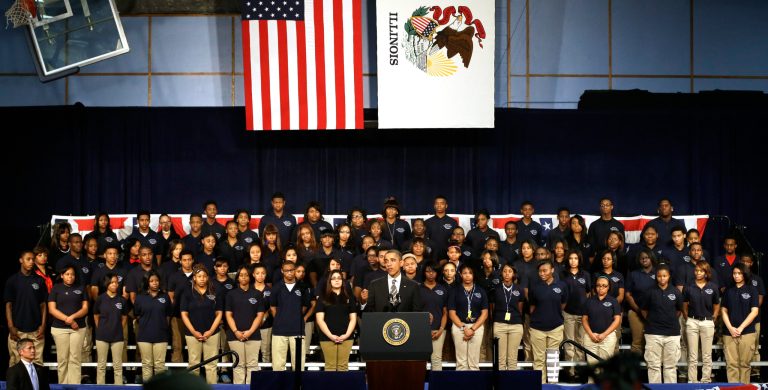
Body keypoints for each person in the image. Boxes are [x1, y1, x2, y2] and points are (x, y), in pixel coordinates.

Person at [180, 264, 223, 384]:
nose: (202, 278)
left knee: (211, 365)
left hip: (212, 333)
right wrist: (194, 332)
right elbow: (184, 314)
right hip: (192, 334)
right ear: (194, 277)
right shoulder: (187, 292)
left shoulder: (214, 291)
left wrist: (211, 331)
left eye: (204, 276)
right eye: (199, 276)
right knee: (194, 365)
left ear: (208, 277)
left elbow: (219, 313)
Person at [528, 261, 568, 383]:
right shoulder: (534, 286)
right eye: (540, 271)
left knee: (553, 359)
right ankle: (540, 385)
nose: (542, 273)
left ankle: (552, 386)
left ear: (552, 270)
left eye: (544, 270)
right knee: (538, 360)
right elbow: (532, 307)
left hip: (555, 328)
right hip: (537, 329)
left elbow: (563, 305)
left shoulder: (562, 285)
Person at [5, 250, 47, 366]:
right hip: (18, 331)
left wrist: (43, 326)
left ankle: (36, 384)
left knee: (37, 363)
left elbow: (43, 305)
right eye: (28, 259)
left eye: (33, 259)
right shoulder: (12, 281)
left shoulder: (39, 280)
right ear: (21, 260)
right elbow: (8, 305)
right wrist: (11, 326)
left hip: (36, 331)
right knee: (16, 363)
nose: (31, 262)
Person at [48, 265, 89, 384]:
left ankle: (74, 385)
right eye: (67, 274)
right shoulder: (56, 288)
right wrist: (68, 319)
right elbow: (52, 309)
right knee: (62, 359)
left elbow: (85, 308)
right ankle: (63, 385)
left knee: (75, 358)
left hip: (78, 328)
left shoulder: (81, 288)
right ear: (62, 275)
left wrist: (73, 317)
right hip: (59, 328)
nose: (70, 277)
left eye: (72, 274)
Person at [642, 264, 683, 384]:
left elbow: (679, 310)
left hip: (672, 333)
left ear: (669, 276)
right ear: (656, 277)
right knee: (654, 366)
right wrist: (651, 320)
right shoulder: (650, 292)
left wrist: (668, 319)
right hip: (653, 333)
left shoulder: (676, 292)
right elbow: (643, 309)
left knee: (670, 367)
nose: (662, 278)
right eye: (659, 276)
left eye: (664, 276)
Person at [225, 265, 266, 384]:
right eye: (241, 275)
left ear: (250, 277)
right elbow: (228, 315)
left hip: (253, 335)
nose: (243, 277)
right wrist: (236, 332)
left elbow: (260, 315)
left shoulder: (257, 294)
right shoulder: (231, 294)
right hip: (234, 336)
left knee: (252, 365)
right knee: (238, 365)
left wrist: (249, 332)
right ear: (237, 277)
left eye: (246, 275)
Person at [721, 263, 759, 384]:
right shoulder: (728, 290)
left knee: (744, 365)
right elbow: (723, 310)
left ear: (744, 274)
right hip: (729, 333)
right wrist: (730, 328)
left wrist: (741, 328)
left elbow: (754, 311)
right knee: (731, 365)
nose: (736, 276)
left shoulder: (752, 289)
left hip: (747, 332)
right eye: (734, 273)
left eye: (739, 273)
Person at [271, 261, 312, 371]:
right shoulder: (276, 287)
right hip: (279, 331)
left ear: (295, 270)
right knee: (278, 366)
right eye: (286, 270)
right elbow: (273, 307)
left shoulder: (303, 287)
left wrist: (295, 316)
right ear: (282, 271)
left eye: (292, 270)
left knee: (298, 367)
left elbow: (305, 306)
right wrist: (281, 318)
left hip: (297, 331)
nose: (289, 272)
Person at [682, 261, 719, 383]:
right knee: (692, 355)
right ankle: (692, 381)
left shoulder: (713, 287)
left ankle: (706, 380)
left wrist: (713, 317)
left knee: (707, 355)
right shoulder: (689, 286)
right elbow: (684, 305)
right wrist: (688, 319)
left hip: (707, 322)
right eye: (696, 270)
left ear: (706, 272)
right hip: (692, 321)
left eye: (701, 271)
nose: (698, 273)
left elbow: (716, 305)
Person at [448, 264, 489, 370]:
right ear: (460, 275)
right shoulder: (454, 290)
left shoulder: (481, 291)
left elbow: (484, 313)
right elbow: (452, 313)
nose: (467, 276)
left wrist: (472, 329)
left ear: (474, 275)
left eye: (470, 273)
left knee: (474, 362)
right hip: (459, 326)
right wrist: (464, 328)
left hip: (476, 327)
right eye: (465, 273)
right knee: (461, 362)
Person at [315, 269, 357, 371]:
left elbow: (353, 319)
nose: (337, 280)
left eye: (339, 278)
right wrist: (331, 336)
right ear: (329, 281)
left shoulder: (349, 297)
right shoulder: (323, 297)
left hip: (346, 337)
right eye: (333, 278)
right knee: (330, 367)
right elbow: (320, 320)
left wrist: (346, 335)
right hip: (327, 337)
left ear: (342, 281)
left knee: (343, 367)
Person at [134, 270, 172, 382]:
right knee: (147, 364)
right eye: (151, 281)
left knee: (160, 365)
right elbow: (137, 315)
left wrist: (163, 327)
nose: (155, 283)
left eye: (156, 280)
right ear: (147, 283)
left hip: (161, 336)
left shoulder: (165, 297)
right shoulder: (140, 298)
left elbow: (168, 315)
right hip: (144, 336)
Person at [582, 276, 622, 379]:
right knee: (592, 367)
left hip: (607, 337)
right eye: (599, 285)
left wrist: (604, 334)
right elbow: (584, 319)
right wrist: (591, 334)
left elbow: (617, 320)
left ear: (608, 287)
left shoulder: (613, 301)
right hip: (591, 336)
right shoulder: (589, 301)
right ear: (595, 287)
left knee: (605, 366)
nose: (601, 288)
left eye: (604, 286)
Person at [93, 274, 127, 384]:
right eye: (112, 282)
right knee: (101, 366)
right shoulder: (100, 299)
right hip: (102, 336)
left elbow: (124, 316)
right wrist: (101, 328)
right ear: (107, 283)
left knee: (117, 366)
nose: (115, 284)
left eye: (116, 282)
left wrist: (118, 328)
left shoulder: (122, 300)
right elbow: (96, 315)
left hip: (117, 336)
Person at [561, 250, 591, 372]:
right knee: (569, 342)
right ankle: (570, 370)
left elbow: (588, 292)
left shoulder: (585, 275)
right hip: (568, 312)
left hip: (582, 314)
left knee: (581, 342)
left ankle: (580, 370)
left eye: (576, 258)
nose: (573, 261)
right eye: (571, 258)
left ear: (579, 260)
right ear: (567, 260)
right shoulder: (562, 274)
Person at [491, 263, 524, 370]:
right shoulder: (496, 289)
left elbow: (520, 308)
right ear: (501, 273)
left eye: (510, 271)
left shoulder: (519, 289)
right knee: (500, 359)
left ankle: (511, 385)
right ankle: (501, 384)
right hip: (499, 324)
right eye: (505, 271)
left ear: (514, 273)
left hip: (516, 325)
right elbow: (492, 308)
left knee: (512, 359)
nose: (507, 274)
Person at [624, 249, 657, 356]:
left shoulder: (659, 273)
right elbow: (628, 295)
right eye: (642, 257)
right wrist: (638, 310)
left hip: (655, 313)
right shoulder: (633, 274)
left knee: (654, 342)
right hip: (635, 312)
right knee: (637, 343)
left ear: (651, 258)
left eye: (646, 257)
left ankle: (653, 371)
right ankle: (636, 371)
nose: (644, 259)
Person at [420, 262, 448, 370]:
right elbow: (415, 311)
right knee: (420, 359)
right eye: (428, 271)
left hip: (439, 330)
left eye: (433, 271)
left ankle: (438, 385)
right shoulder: (418, 288)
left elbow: (445, 312)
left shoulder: (443, 289)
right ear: (424, 273)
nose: (431, 274)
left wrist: (441, 329)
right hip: (421, 330)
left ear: (437, 273)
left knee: (436, 359)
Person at [740, 253, 764, 379]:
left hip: (755, 319)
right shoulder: (736, 279)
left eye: (748, 261)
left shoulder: (757, 280)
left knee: (754, 347)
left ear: (751, 263)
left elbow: (760, 299)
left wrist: (750, 312)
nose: (745, 263)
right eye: (743, 261)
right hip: (739, 319)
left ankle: (755, 370)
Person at [251, 263, 273, 364]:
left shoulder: (270, 290)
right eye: (258, 273)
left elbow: (272, 307)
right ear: (253, 275)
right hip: (251, 325)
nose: (260, 275)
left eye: (263, 273)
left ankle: (266, 374)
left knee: (266, 352)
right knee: (253, 353)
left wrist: (264, 317)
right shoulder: (249, 289)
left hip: (266, 325)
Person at [425, 195, 458, 261]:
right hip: (431, 256)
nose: (439, 205)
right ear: (434, 206)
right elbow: (426, 241)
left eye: (442, 203)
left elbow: (455, 241)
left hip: (448, 256)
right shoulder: (427, 222)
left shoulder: (453, 222)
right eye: (437, 203)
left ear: (446, 206)